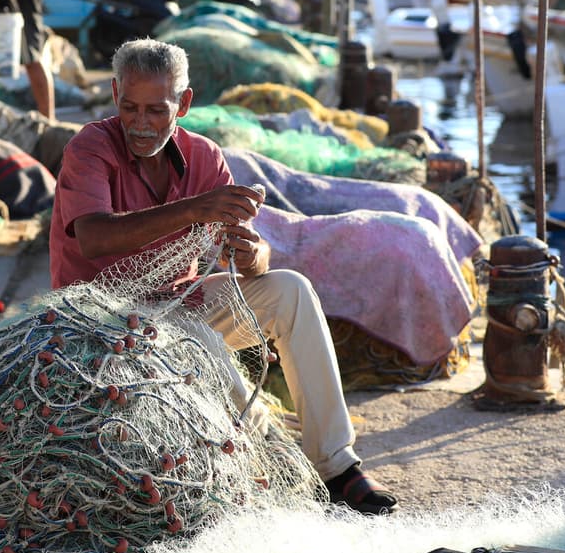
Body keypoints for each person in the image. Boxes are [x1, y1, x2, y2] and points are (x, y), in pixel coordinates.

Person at [49, 38, 398, 516]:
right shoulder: (89, 147)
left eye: (156, 109)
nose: (140, 122)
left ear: (184, 104)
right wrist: (196, 208)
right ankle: (274, 456)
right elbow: (93, 238)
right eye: (129, 107)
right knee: (198, 338)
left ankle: (337, 465)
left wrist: (253, 255)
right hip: (99, 316)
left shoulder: (205, 156)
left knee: (291, 291)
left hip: (178, 302)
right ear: (113, 94)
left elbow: (247, 253)